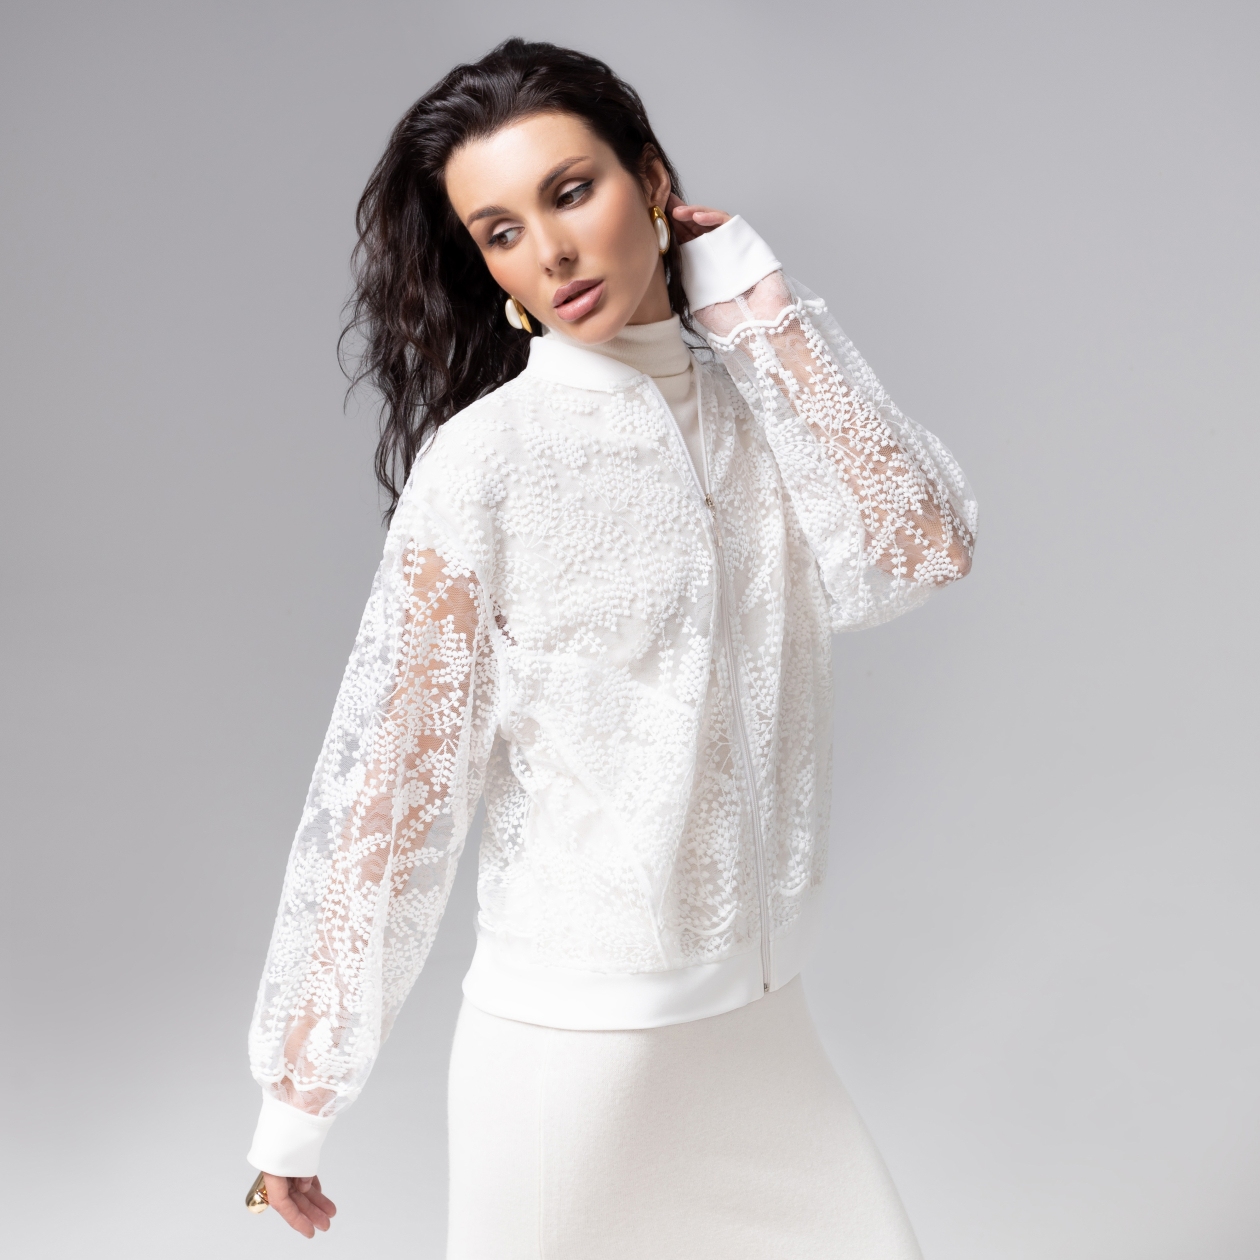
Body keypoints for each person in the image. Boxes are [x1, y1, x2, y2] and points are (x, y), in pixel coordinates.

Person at [244, 37, 976, 1259]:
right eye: (503, 231)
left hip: (763, 1035)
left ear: (652, 180)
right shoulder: (488, 465)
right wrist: (297, 1103)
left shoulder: (757, 408)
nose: (551, 251)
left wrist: (762, 311)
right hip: (570, 1068)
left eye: (572, 191)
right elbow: (395, 792)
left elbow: (920, 549)